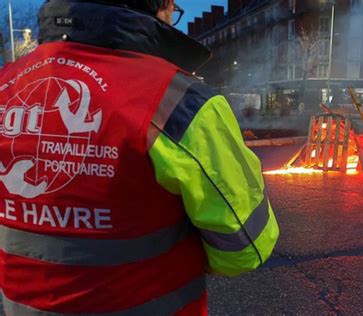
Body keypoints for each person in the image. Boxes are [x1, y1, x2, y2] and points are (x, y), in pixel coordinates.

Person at [0, 0, 279, 314]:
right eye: (174, 11)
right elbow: (246, 245)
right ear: (163, 6)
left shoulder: (5, 85)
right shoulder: (180, 101)